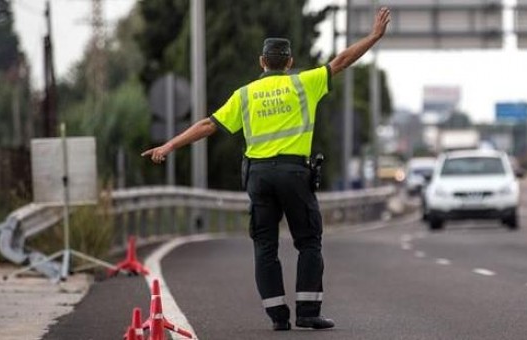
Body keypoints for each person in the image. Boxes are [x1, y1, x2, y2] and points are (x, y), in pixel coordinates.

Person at [142, 7, 391, 331]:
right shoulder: (305, 83)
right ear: (289, 62)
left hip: (258, 177)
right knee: (308, 242)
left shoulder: (244, 95)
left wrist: (169, 145)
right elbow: (341, 61)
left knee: (265, 246)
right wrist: (373, 36)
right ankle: (307, 312)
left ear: (262, 62)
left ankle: (278, 317)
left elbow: (207, 124)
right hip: (293, 174)